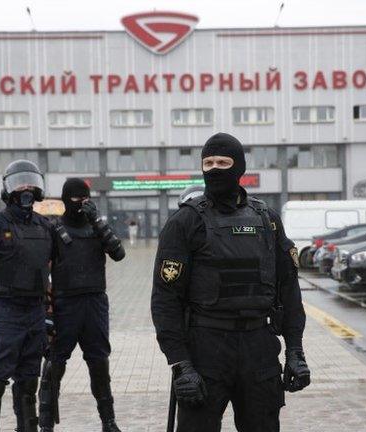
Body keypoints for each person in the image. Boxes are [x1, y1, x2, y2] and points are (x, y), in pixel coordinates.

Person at [151, 132, 310, 432]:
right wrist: (180, 363)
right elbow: (165, 300)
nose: (214, 169)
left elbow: (289, 290)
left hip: (258, 347)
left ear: (239, 169)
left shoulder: (267, 219)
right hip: (206, 349)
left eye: (222, 162)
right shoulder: (185, 222)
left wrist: (295, 350)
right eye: (207, 162)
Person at [0, 159, 53, 432]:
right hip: (4, 311)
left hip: (35, 311)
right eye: (19, 183)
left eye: (30, 183)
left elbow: (50, 269)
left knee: (28, 380)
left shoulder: (45, 226)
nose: (26, 189)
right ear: (8, 189)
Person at [38, 177, 126, 432]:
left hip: (95, 303)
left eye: (85, 198)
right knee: (54, 365)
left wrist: (97, 221)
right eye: (76, 198)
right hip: (65, 304)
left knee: (99, 365)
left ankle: (108, 422)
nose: (81, 203)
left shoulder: (97, 227)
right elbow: (43, 272)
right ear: (66, 199)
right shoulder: (55, 230)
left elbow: (119, 254)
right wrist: (47, 310)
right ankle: (45, 425)